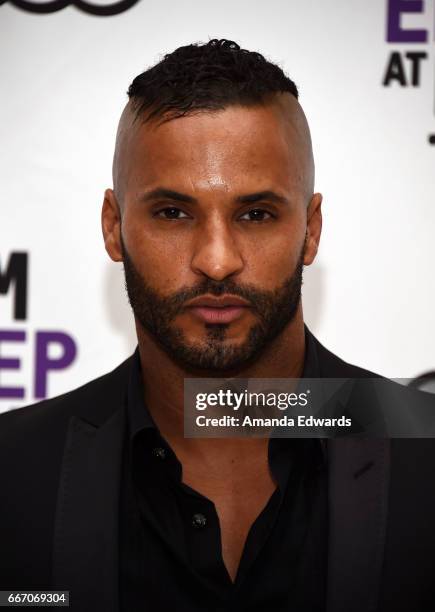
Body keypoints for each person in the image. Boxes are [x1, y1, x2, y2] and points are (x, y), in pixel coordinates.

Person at [1, 39, 434, 612]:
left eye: (255, 214)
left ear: (310, 230)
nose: (217, 259)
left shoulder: (424, 456)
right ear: (114, 228)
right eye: (173, 213)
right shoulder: (13, 471)